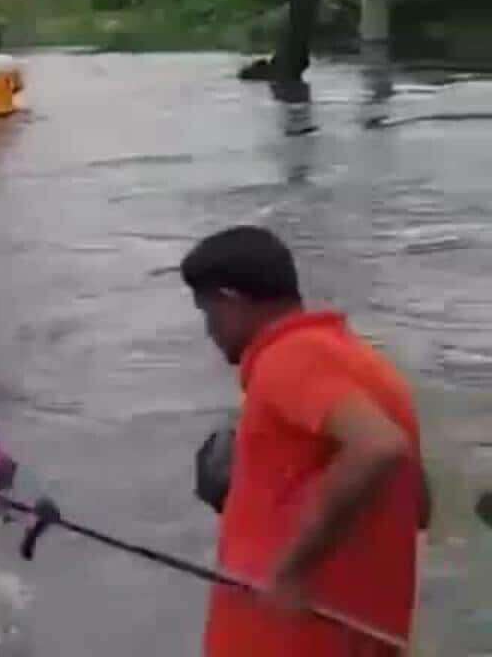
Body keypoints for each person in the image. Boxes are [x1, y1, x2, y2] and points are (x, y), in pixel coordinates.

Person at [180, 226, 425, 657]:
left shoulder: (288, 357)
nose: (209, 332)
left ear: (231, 301)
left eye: (208, 313)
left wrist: (293, 571)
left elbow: (378, 448)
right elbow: (417, 505)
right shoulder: (368, 365)